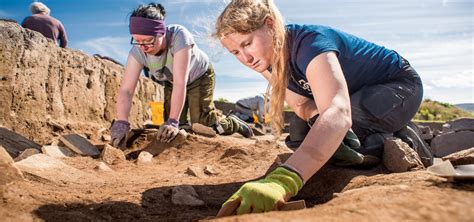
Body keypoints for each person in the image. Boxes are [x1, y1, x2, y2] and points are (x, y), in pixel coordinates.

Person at [215, 0, 433, 215]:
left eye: (247, 44)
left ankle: (403, 138)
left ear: (270, 25)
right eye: (235, 52)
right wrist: (317, 118)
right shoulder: (266, 61)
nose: (245, 58)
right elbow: (301, 104)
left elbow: (338, 112)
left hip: (398, 85)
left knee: (342, 130)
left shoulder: (310, 43)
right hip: (349, 96)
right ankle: (370, 135)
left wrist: (285, 179)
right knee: (303, 134)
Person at [110, 3, 253, 148]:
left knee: (203, 125)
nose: (143, 47)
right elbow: (126, 90)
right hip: (172, 82)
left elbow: (180, 82)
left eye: (148, 41)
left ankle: (233, 123)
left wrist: (173, 121)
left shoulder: (179, 36)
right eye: (138, 41)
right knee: (174, 130)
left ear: (162, 33)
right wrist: (122, 121)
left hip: (199, 76)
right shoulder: (138, 52)